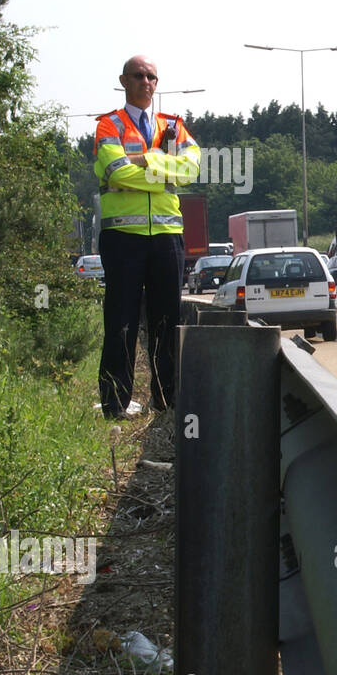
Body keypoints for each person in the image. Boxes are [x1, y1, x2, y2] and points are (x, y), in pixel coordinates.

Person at [94, 55, 200, 419]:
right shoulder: (109, 125)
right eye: (138, 76)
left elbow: (191, 169)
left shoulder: (173, 125)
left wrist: (145, 161)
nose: (146, 82)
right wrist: (162, 167)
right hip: (123, 236)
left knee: (167, 321)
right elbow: (115, 171)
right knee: (120, 321)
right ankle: (114, 404)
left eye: (152, 76)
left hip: (167, 237)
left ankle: (166, 401)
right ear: (123, 80)